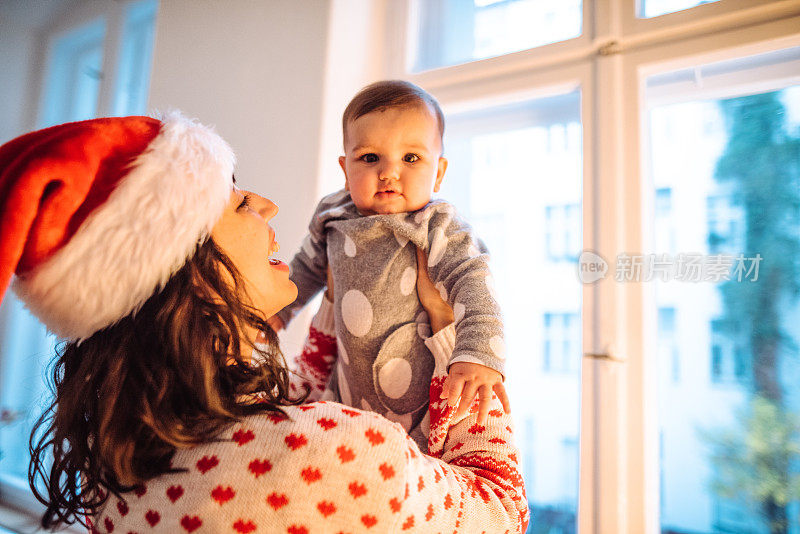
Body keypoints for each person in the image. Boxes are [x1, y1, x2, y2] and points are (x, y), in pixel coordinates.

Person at [0, 112, 529, 533]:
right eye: (239, 203)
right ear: (185, 265)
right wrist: (448, 333)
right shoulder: (335, 453)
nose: (270, 206)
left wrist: (328, 315)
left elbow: (297, 384)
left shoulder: (115, 454)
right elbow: (501, 511)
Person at [275, 81, 508, 450]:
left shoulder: (437, 225)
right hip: (344, 394)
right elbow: (305, 268)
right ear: (345, 168)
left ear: (440, 171)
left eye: (410, 158)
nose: (389, 173)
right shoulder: (332, 215)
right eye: (370, 158)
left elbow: (473, 281)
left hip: (419, 401)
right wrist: (276, 312)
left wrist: (478, 353)